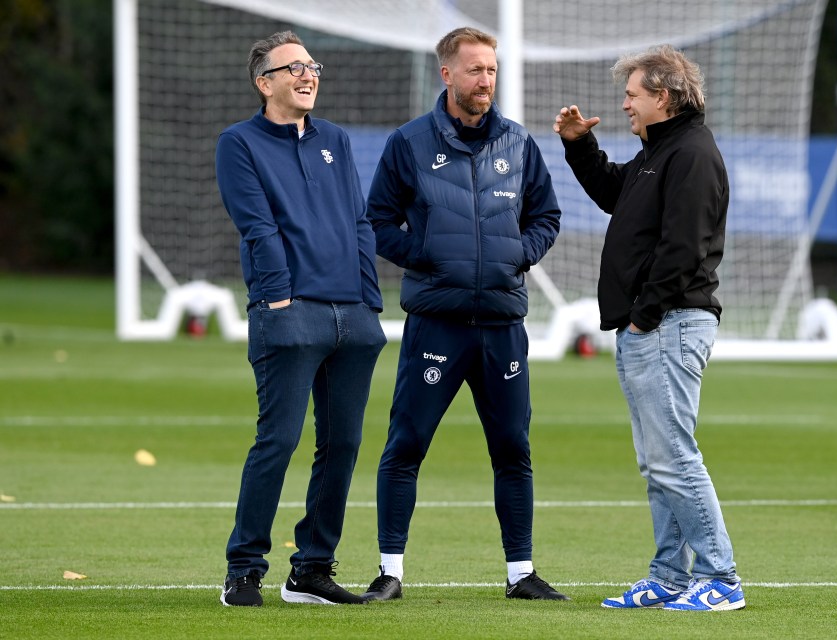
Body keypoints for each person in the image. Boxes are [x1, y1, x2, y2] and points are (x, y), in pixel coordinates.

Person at [360, 27, 567, 602]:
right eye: (475, 70)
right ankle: (390, 573)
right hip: (437, 322)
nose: (486, 80)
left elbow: (546, 216)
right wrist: (424, 256)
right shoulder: (409, 143)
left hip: (502, 323)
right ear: (447, 74)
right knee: (406, 444)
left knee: (512, 448)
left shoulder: (519, 144)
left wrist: (515, 257)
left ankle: (521, 574)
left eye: (492, 70)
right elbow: (377, 221)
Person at [554, 44, 745, 612]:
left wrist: (644, 315)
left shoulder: (690, 153)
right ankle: (670, 575)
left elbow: (684, 248)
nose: (624, 104)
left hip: (668, 324)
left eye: (633, 95)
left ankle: (721, 578)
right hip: (655, 325)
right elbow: (617, 194)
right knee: (657, 460)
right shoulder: (661, 150)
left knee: (674, 458)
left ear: (663, 96)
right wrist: (579, 146)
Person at [215, 30, 386, 607]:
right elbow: (256, 225)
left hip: (352, 317)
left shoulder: (334, 138)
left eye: (311, 65)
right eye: (293, 68)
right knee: (279, 440)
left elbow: (359, 223)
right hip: (289, 315)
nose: (308, 75)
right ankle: (244, 569)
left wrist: (369, 300)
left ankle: (312, 570)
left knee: (342, 446)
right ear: (264, 82)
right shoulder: (238, 143)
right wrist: (280, 299)